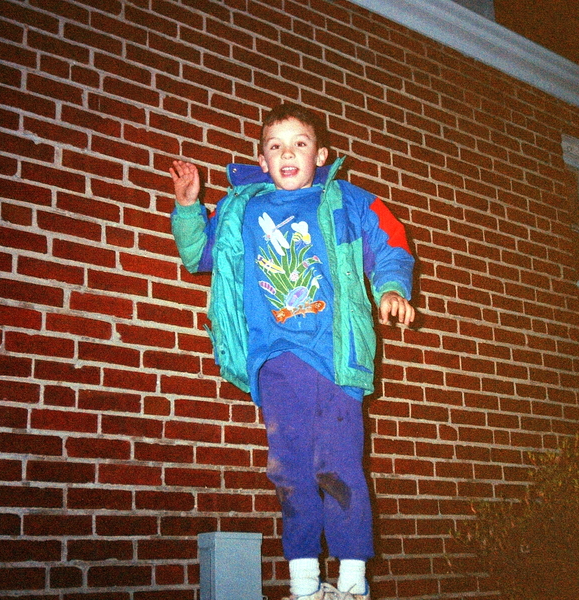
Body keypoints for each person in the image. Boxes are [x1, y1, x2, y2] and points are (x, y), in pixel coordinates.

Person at [169, 103, 415, 600]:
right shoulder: (241, 209)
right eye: (275, 146)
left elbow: (389, 241)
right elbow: (198, 255)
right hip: (276, 361)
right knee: (290, 469)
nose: (287, 153)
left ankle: (352, 581)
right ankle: (304, 584)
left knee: (339, 466)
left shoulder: (345, 199)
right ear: (262, 160)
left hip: (335, 357)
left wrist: (391, 287)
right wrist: (189, 208)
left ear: (319, 155)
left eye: (299, 144)